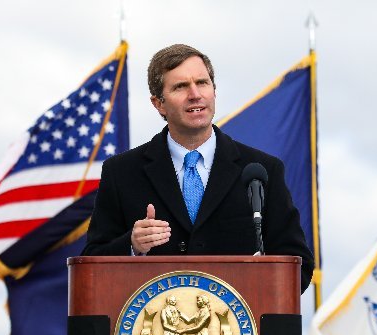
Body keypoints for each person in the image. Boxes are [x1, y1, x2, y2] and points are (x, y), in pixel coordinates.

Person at [82, 44, 314, 293]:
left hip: (239, 328)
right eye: (180, 87)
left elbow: (298, 264)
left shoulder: (262, 170)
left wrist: (258, 293)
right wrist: (131, 245)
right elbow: (90, 265)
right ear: (158, 103)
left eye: (202, 83)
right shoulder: (121, 173)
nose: (195, 94)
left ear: (214, 90)